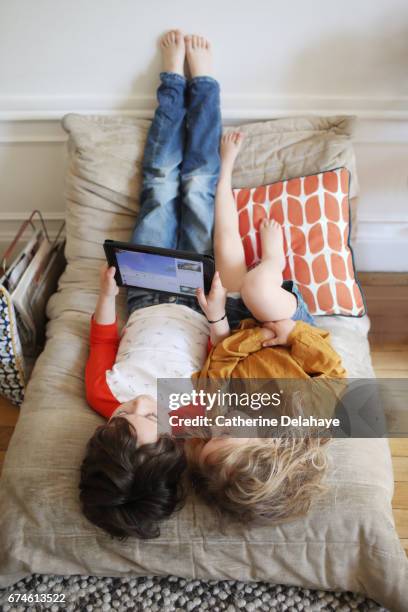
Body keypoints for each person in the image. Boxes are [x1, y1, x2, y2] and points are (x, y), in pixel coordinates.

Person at [80, 28, 325, 540]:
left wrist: (109, 297)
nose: (141, 405)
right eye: (148, 418)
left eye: (125, 418)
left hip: (146, 292)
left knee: (159, 186)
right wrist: (218, 316)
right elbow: (225, 355)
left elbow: (103, 341)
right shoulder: (199, 417)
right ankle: (205, 85)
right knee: (195, 191)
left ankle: (173, 82)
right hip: (198, 295)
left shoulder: (112, 400)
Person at [185, 131, 347, 525]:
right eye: (223, 435)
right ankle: (275, 258)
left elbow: (219, 357)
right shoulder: (312, 414)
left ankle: (224, 176)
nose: (214, 427)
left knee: (225, 251)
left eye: (208, 438)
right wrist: (289, 334)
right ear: (271, 444)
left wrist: (228, 324)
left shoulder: (215, 409)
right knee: (258, 287)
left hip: (244, 329)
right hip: (289, 323)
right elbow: (332, 368)